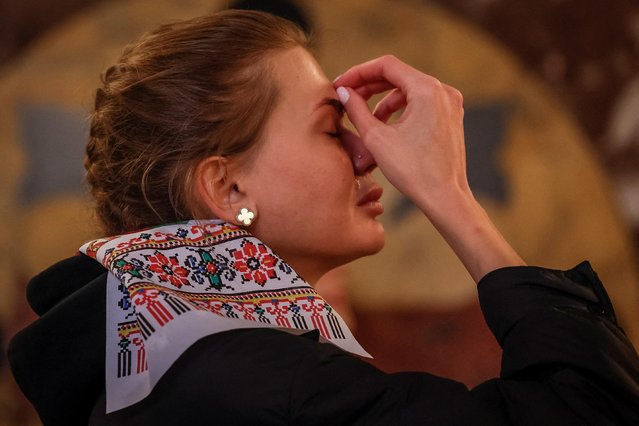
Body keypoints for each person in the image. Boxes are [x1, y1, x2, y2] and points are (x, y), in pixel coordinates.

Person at [7, 9, 639, 425]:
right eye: (332, 130)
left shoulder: (163, 370)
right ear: (226, 188)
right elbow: (589, 412)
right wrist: (450, 196)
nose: (369, 152)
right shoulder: (261, 389)